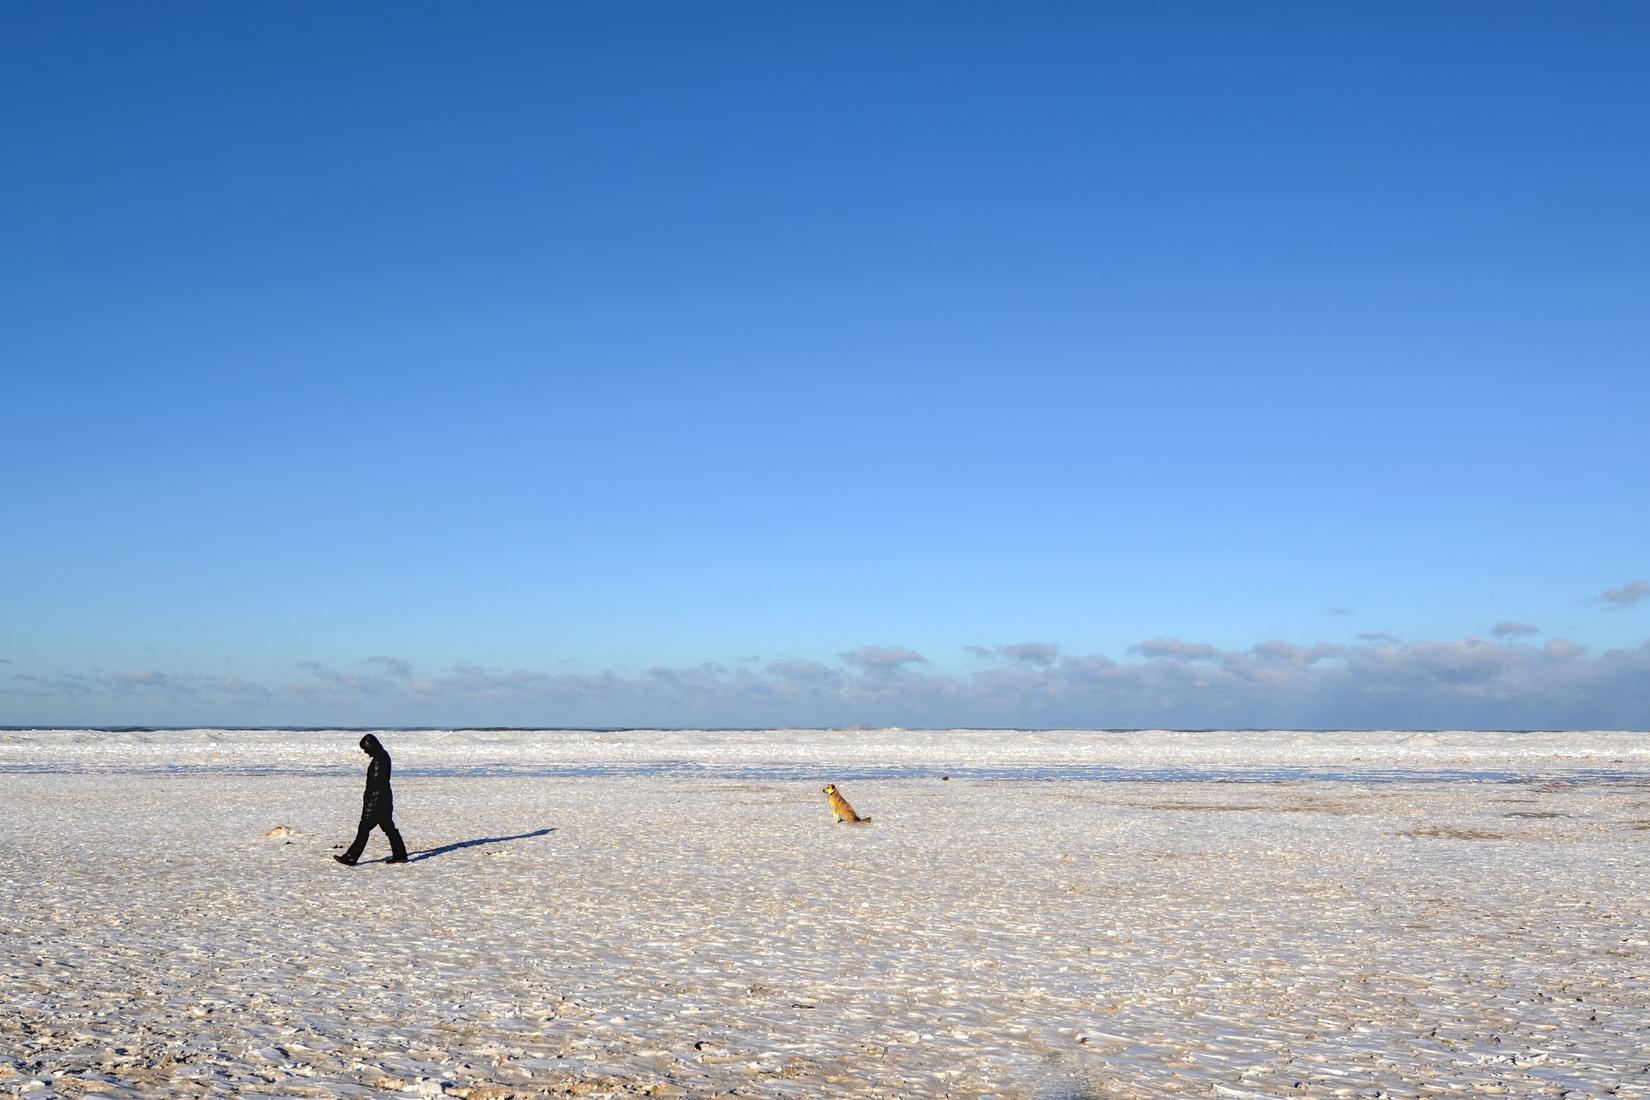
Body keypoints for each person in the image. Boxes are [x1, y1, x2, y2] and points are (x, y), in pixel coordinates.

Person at [334, 733, 409, 865]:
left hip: (377, 802)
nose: (365, 752)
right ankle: (400, 854)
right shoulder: (382, 756)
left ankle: (351, 857)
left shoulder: (379, 760)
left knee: (364, 829)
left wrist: (369, 805)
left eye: (366, 749)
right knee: (388, 829)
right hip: (383, 800)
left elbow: (376, 786)